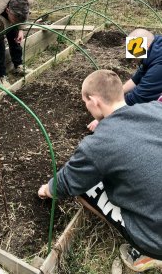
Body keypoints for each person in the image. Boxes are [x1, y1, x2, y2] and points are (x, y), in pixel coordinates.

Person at [38, 69, 162, 272]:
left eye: (85, 102)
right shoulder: (156, 110)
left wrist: (46, 189)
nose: (86, 106)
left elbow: (67, 183)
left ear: (94, 101)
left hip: (156, 238)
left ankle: (145, 253)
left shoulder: (98, 145)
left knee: (87, 188)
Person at [88, 28, 162, 131]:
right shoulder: (155, 48)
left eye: (136, 55)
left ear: (146, 46)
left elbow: (139, 96)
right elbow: (137, 78)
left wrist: (103, 117)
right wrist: (115, 93)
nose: (134, 60)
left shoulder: (159, 65)